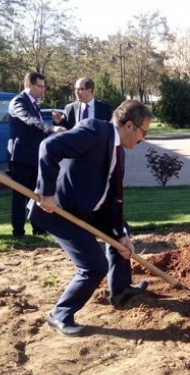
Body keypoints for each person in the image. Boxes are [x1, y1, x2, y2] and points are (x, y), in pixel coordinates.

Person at [29, 99, 151, 336]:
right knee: (94, 266)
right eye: (143, 132)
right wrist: (47, 193)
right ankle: (60, 314)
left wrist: (119, 235)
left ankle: (121, 289)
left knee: (121, 233)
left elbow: (111, 198)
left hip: (87, 210)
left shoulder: (119, 152)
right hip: (59, 211)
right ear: (129, 126)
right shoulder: (94, 130)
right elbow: (49, 147)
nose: (143, 138)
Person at [8, 72, 65, 238]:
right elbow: (29, 119)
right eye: (40, 86)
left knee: (36, 194)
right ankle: (18, 232)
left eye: (44, 86)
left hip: (34, 156)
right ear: (28, 85)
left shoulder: (34, 103)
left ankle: (38, 228)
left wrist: (56, 125)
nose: (43, 90)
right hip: (20, 157)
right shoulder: (19, 101)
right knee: (20, 195)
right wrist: (49, 128)